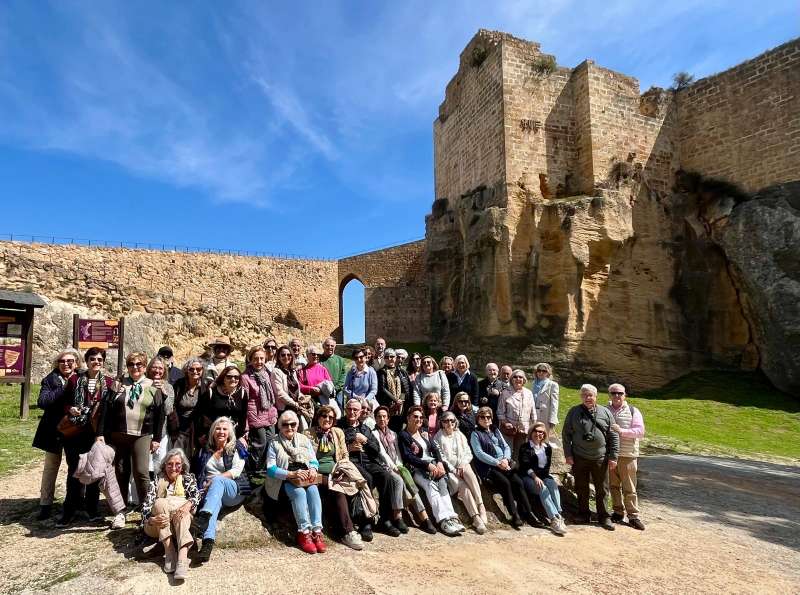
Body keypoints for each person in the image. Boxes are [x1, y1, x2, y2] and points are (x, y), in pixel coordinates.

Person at [97, 351, 164, 529]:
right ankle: (120, 510)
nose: (135, 367)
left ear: (145, 367)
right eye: (131, 364)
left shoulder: (153, 386)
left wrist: (156, 438)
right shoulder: (118, 384)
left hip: (141, 434)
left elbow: (160, 414)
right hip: (119, 434)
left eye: (139, 364)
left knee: (141, 472)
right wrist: (100, 433)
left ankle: (146, 509)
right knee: (120, 471)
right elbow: (105, 408)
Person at [58, 347, 113, 527]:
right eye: (92, 359)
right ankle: (69, 510)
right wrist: (70, 409)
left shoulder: (109, 383)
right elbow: (64, 402)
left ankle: (92, 509)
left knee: (94, 472)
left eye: (99, 359)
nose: (96, 362)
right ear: (86, 361)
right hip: (76, 432)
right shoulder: (75, 380)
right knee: (75, 471)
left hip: (96, 434)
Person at [338, 398, 404, 539]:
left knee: (386, 476)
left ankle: (384, 519)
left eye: (355, 409)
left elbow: (376, 450)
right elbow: (335, 447)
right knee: (366, 478)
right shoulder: (340, 426)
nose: (352, 412)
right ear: (345, 409)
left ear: (360, 411)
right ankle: (365, 521)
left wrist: (365, 440)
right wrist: (349, 448)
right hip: (351, 462)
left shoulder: (365, 428)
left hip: (368, 461)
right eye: (349, 409)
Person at [265, 410, 325, 554]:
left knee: (313, 490)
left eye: (293, 424)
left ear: (297, 425)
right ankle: (304, 533)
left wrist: (313, 469)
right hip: (283, 479)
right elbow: (271, 469)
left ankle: (316, 531)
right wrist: (290, 474)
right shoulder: (274, 442)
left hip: (305, 477)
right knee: (299, 493)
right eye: (285, 424)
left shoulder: (304, 439)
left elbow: (313, 460)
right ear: (280, 426)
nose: (289, 427)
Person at [32, 348, 82, 520]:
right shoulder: (50, 379)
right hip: (54, 429)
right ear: (57, 363)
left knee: (75, 466)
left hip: (74, 430)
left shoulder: (82, 377)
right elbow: (42, 402)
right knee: (51, 467)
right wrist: (63, 389)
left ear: (76, 363)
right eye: (63, 361)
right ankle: (45, 504)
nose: (66, 364)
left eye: (70, 361)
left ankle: (75, 501)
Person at [399, 406, 464, 537]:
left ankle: (452, 517)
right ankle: (443, 521)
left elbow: (435, 449)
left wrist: (439, 463)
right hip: (418, 469)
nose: (418, 419)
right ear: (408, 418)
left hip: (434, 466)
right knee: (431, 487)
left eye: (420, 417)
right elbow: (408, 457)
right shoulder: (404, 435)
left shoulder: (424, 432)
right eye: (415, 416)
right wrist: (427, 465)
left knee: (443, 486)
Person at [305, 405, 364, 550]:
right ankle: (348, 532)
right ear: (318, 417)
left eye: (331, 417)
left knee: (351, 486)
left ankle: (356, 527)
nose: (327, 419)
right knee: (337, 490)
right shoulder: (308, 434)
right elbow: (305, 457)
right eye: (324, 416)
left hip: (336, 472)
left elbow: (344, 455)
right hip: (316, 474)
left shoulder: (337, 433)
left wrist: (342, 470)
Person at [562, 384, 619, 530]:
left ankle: (604, 517)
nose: (588, 398)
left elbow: (613, 435)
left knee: (602, 489)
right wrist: (568, 454)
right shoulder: (574, 412)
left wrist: (613, 456)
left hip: (600, 457)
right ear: (581, 397)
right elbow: (566, 434)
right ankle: (583, 514)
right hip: (579, 456)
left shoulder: (606, 412)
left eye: (590, 395)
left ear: (596, 396)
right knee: (581, 487)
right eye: (585, 395)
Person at [193, 417, 248, 562]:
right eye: (218, 428)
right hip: (213, 492)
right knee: (212, 505)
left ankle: (204, 516)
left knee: (217, 481)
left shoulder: (237, 447)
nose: (221, 432)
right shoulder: (204, 450)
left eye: (224, 429)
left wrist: (213, 480)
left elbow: (236, 471)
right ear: (212, 432)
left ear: (229, 432)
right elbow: (199, 474)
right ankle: (207, 544)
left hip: (234, 490)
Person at [470, 407, 535, 528]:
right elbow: (479, 453)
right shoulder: (475, 434)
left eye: (488, 417)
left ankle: (529, 513)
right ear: (478, 419)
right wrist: (497, 463)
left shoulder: (495, 429)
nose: (486, 419)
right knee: (506, 483)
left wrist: (505, 459)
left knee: (518, 482)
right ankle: (514, 515)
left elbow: (506, 446)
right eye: (482, 417)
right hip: (490, 467)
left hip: (504, 463)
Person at [374, 406, 436, 534]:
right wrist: (394, 467)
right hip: (384, 466)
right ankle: (398, 516)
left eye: (384, 416)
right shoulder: (374, 433)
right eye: (379, 416)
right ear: (375, 418)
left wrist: (400, 466)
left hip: (397, 464)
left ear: (388, 418)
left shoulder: (393, 433)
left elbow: (397, 452)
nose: (382, 419)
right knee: (399, 480)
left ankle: (424, 518)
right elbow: (382, 453)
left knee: (408, 480)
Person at [141, 448, 200, 580]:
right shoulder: (157, 480)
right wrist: (151, 519)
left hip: (180, 522)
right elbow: (146, 507)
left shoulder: (188, 478)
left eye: (177, 464)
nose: (173, 468)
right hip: (157, 525)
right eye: (170, 464)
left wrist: (188, 504)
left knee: (183, 513)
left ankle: (182, 559)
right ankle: (170, 552)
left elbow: (196, 496)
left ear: (183, 465)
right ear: (164, 465)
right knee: (160, 503)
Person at [434, 410, 487, 534]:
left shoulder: (459, 434)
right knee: (464, 487)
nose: (449, 423)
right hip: (450, 471)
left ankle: (480, 505)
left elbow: (468, 452)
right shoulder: (438, 436)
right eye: (446, 421)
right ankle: (476, 518)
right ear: (442, 423)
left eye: (452, 420)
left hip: (462, 465)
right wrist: (453, 470)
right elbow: (441, 457)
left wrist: (462, 464)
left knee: (470, 473)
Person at [607, 383, 645, 530]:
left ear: (625, 395)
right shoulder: (604, 410)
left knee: (629, 487)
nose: (617, 396)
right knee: (613, 486)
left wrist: (621, 431)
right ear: (609, 395)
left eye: (620, 393)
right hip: (610, 455)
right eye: (613, 393)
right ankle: (617, 512)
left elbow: (640, 432)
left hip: (627, 455)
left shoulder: (633, 411)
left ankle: (633, 516)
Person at [518, 422, 567, 536]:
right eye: (536, 431)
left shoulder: (547, 448)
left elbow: (547, 468)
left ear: (544, 434)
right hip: (528, 476)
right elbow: (525, 466)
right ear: (531, 433)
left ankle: (559, 514)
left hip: (543, 476)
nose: (538, 434)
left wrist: (545, 478)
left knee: (552, 484)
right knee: (543, 488)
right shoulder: (525, 447)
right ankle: (553, 519)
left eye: (541, 432)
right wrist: (535, 477)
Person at [240, 346, 278, 479]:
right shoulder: (245, 377)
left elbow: (270, 395)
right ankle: (254, 471)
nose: (259, 361)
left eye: (262, 358)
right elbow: (244, 402)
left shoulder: (266, 373)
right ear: (250, 360)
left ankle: (266, 470)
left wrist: (273, 412)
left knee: (271, 442)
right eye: (255, 359)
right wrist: (245, 425)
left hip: (268, 414)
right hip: (255, 415)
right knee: (260, 444)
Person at [168, 357, 209, 459]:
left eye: (198, 369)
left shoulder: (206, 386)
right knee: (178, 453)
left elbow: (207, 410)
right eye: (191, 369)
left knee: (193, 456)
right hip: (179, 426)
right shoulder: (179, 384)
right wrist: (174, 425)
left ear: (202, 370)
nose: (195, 371)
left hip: (196, 427)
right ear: (186, 370)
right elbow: (172, 405)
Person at [198, 365, 248, 445]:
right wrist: (202, 434)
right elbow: (201, 414)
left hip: (234, 434)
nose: (233, 379)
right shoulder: (212, 392)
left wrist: (240, 436)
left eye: (236, 377)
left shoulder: (242, 393)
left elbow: (243, 416)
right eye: (229, 377)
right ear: (223, 378)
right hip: (214, 434)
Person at [496, 369, 537, 457]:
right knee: (507, 453)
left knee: (521, 453)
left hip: (524, 429)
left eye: (520, 377)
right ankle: (507, 470)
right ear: (511, 379)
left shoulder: (529, 393)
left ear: (524, 380)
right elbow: (500, 412)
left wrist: (533, 426)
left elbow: (533, 411)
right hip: (509, 429)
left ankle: (518, 469)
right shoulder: (505, 393)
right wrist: (506, 423)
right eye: (515, 377)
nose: (518, 379)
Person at [272, 345, 313, 430]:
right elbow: (280, 393)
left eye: (288, 354)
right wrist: (294, 404)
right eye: (283, 355)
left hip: (296, 408)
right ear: (278, 357)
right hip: (285, 409)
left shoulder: (292, 372)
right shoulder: (276, 372)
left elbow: (296, 389)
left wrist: (302, 396)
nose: (286, 357)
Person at [147, 356, 176, 474]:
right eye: (154, 367)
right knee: (144, 467)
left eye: (160, 368)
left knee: (159, 466)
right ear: (149, 369)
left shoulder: (168, 387)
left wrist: (163, 393)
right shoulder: (143, 383)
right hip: (143, 432)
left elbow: (168, 410)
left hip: (161, 432)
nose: (157, 371)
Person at [376, 348, 412, 432]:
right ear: (384, 358)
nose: (389, 359)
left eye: (392, 356)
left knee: (399, 428)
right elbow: (382, 388)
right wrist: (395, 400)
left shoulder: (402, 372)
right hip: (388, 405)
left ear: (395, 358)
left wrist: (400, 400)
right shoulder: (380, 372)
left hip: (400, 407)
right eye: (386, 357)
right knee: (387, 428)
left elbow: (405, 388)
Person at [298, 344, 336, 410]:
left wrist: (321, 390)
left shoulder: (322, 369)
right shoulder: (301, 371)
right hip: (309, 401)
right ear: (307, 355)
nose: (316, 356)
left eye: (318, 354)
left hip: (324, 401)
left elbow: (330, 384)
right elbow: (299, 386)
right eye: (313, 354)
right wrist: (311, 389)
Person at [533, 363, 560, 438]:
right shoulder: (533, 383)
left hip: (545, 416)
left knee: (544, 437)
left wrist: (552, 419)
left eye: (544, 371)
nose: (541, 373)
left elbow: (555, 403)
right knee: (533, 436)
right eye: (539, 370)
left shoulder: (553, 385)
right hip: (534, 414)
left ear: (548, 372)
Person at [320, 337, 347, 408]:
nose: (330, 347)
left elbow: (343, 375)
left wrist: (336, 388)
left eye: (332, 346)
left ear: (335, 347)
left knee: (339, 411)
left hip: (338, 392)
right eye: (327, 345)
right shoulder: (318, 359)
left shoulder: (340, 360)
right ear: (323, 346)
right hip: (323, 392)